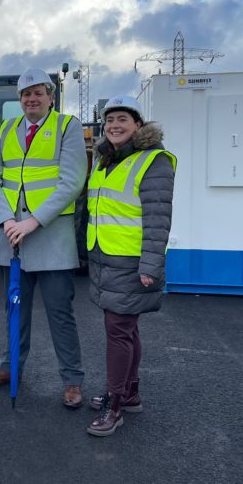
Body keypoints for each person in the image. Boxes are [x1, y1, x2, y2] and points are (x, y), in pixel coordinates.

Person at [0, 67, 88, 409]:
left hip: (50, 236)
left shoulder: (66, 127)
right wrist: (8, 219)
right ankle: (9, 368)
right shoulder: (7, 129)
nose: (31, 99)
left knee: (60, 313)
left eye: (38, 93)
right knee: (14, 311)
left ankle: (72, 381)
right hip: (11, 235)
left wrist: (33, 222)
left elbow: (71, 183)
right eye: (26, 94)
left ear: (51, 97)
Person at [85, 95, 175, 437]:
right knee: (127, 329)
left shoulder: (154, 161)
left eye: (122, 119)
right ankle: (130, 392)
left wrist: (151, 264)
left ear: (138, 125)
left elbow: (157, 219)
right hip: (105, 256)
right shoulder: (106, 159)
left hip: (132, 261)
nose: (114, 126)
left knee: (118, 331)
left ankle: (115, 403)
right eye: (110, 121)